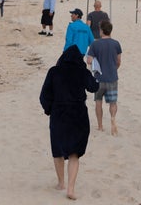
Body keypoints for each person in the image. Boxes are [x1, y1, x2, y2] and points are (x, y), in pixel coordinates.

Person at [40, 45, 99, 200]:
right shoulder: (82, 72)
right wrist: (96, 75)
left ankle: (61, 183)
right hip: (78, 114)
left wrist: (49, 110)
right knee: (74, 153)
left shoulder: (54, 72)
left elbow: (44, 95)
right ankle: (71, 188)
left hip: (58, 114)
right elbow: (94, 87)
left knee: (58, 150)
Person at [85, 20, 122, 135]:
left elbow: (89, 61)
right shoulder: (116, 44)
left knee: (98, 101)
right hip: (112, 77)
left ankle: (100, 126)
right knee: (113, 102)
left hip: (99, 78)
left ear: (101, 30)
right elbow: (118, 61)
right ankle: (113, 119)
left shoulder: (95, 44)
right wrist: (113, 69)